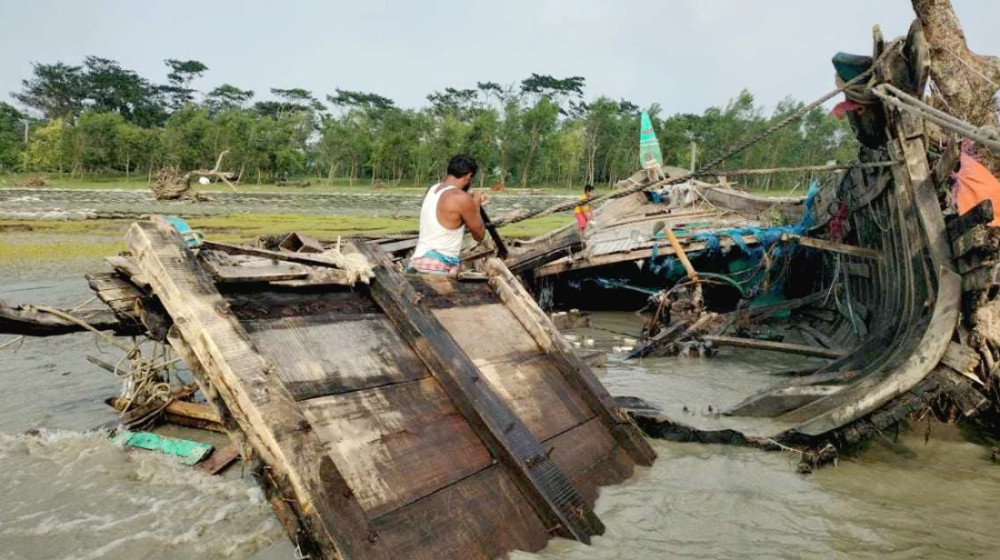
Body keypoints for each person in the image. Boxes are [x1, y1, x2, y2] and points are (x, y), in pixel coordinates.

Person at [408, 154, 489, 276]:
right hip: (438, 266)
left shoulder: (432, 189)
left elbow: (451, 215)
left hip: (417, 262)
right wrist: (476, 205)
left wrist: (471, 204)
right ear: (468, 176)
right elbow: (479, 235)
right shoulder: (461, 198)